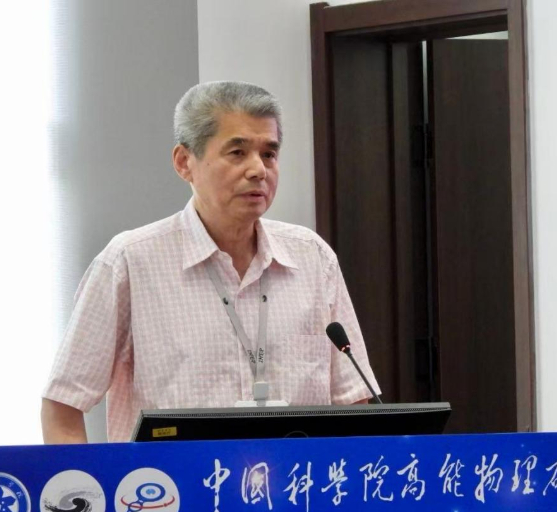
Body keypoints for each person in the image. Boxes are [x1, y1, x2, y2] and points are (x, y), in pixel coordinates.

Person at [41, 81, 379, 444]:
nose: (258, 170)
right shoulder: (129, 263)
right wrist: (97, 482)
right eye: (237, 153)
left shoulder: (312, 257)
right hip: (171, 481)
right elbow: (63, 406)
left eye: (269, 154)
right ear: (184, 162)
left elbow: (355, 400)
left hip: (297, 479)